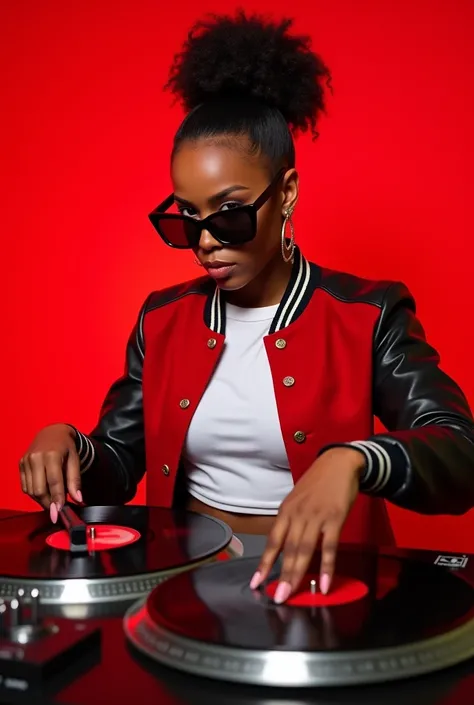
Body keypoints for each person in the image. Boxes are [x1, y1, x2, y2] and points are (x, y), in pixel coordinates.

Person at [19, 12, 474, 605]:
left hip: (324, 588)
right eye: (185, 219)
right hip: (183, 587)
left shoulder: (368, 313)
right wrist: (69, 443)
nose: (206, 241)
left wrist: (354, 460)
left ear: (285, 193)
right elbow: (121, 461)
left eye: (230, 214)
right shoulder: (162, 321)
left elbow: (460, 451)